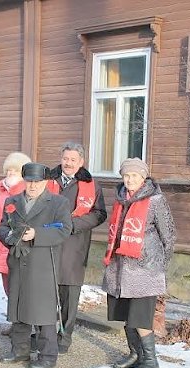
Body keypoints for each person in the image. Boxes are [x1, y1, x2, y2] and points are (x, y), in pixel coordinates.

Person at [103, 158, 176, 368]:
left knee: (141, 316)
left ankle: (151, 362)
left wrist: (159, 265)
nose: (129, 179)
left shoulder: (156, 200)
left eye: (134, 175)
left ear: (143, 177)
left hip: (146, 270)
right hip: (121, 269)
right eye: (126, 175)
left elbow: (169, 235)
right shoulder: (120, 199)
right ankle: (136, 354)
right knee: (126, 313)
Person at [0, 162, 72, 368]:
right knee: (19, 306)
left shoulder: (58, 203)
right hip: (18, 261)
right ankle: (20, 349)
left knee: (43, 310)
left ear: (45, 182)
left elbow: (65, 229)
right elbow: (3, 227)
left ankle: (48, 355)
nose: (32, 186)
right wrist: (10, 237)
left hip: (43, 263)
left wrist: (37, 234)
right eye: (29, 181)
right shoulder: (13, 201)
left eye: (37, 182)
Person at [47, 142, 107, 354]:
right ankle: (44, 334)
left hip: (75, 244)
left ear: (81, 162)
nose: (68, 163)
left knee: (69, 295)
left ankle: (65, 335)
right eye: (65, 159)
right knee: (46, 292)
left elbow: (100, 214)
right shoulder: (49, 179)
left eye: (73, 160)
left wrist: (74, 225)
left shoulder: (91, 185)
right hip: (48, 243)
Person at [0, 152, 31, 295]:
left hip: (19, 242)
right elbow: (0, 216)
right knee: (7, 282)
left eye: (15, 170)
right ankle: (12, 313)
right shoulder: (1, 190)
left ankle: (20, 314)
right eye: (9, 170)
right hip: (1, 240)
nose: (11, 173)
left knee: (19, 282)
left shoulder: (28, 190)